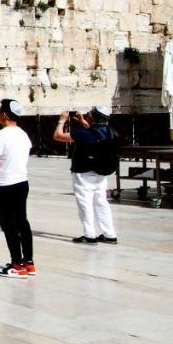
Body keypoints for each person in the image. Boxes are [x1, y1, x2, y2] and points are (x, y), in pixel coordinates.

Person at [54, 105, 119, 244]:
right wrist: (84, 121)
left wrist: (62, 120)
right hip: (101, 173)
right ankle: (109, 234)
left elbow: (58, 136)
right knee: (101, 203)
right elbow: (95, 134)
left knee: (85, 203)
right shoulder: (111, 132)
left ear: (92, 118)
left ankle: (89, 235)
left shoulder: (83, 133)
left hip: (84, 173)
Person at [0, 99, 35, 278]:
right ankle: (29, 263)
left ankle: (17, 264)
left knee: (9, 225)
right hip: (22, 182)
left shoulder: (0, 135)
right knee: (22, 222)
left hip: (4, 185)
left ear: (4, 115)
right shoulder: (23, 134)